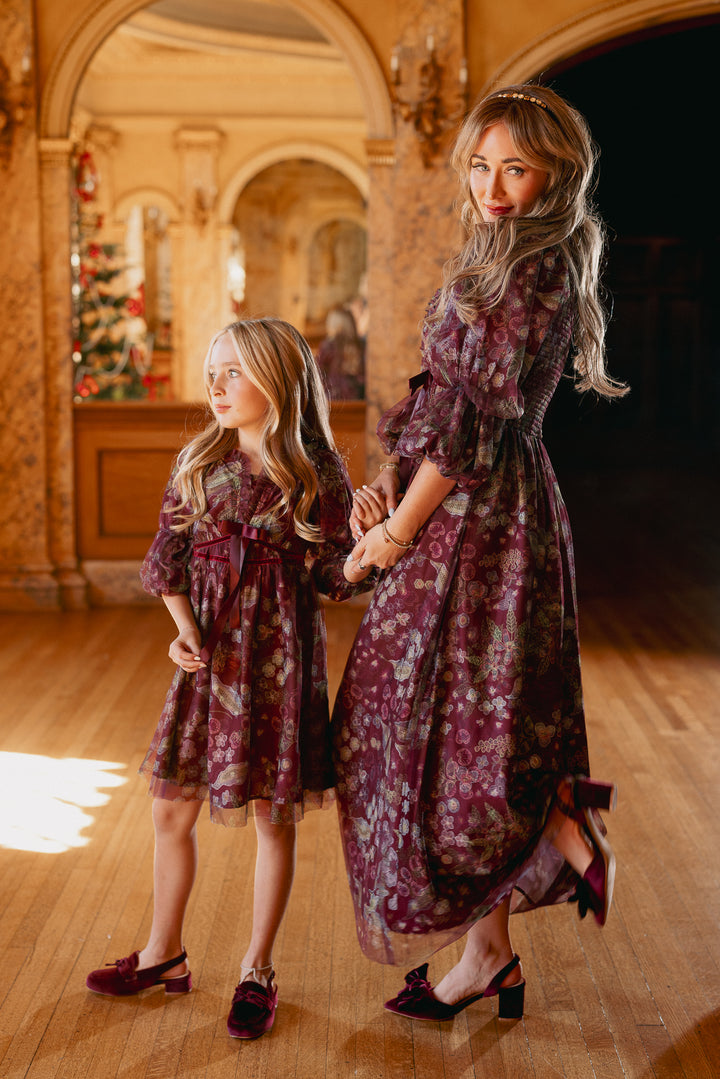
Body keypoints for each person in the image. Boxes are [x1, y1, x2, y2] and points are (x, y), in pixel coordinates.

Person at [333, 84, 627, 1022]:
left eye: (516, 167)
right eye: (480, 164)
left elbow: (464, 433)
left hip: (477, 519)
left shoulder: (529, 266)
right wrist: (389, 484)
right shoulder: (513, 256)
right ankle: (491, 947)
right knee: (465, 716)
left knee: (423, 715)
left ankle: (550, 825)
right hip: (489, 509)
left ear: (555, 175)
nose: (493, 184)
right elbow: (441, 409)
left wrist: (393, 531)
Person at [86, 317, 371, 1039]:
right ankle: (164, 952)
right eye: (213, 371)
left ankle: (257, 967)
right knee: (170, 810)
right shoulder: (197, 464)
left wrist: (369, 546)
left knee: (274, 819)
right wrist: (183, 632)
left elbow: (335, 575)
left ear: (277, 381)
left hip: (277, 670)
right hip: (210, 667)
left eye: (233, 372)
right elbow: (166, 561)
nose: (216, 385)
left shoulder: (316, 474)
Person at [315, 306, 365, 400]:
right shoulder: (361, 345)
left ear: (334, 325)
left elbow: (317, 373)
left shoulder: (329, 345)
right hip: (357, 398)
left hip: (333, 398)